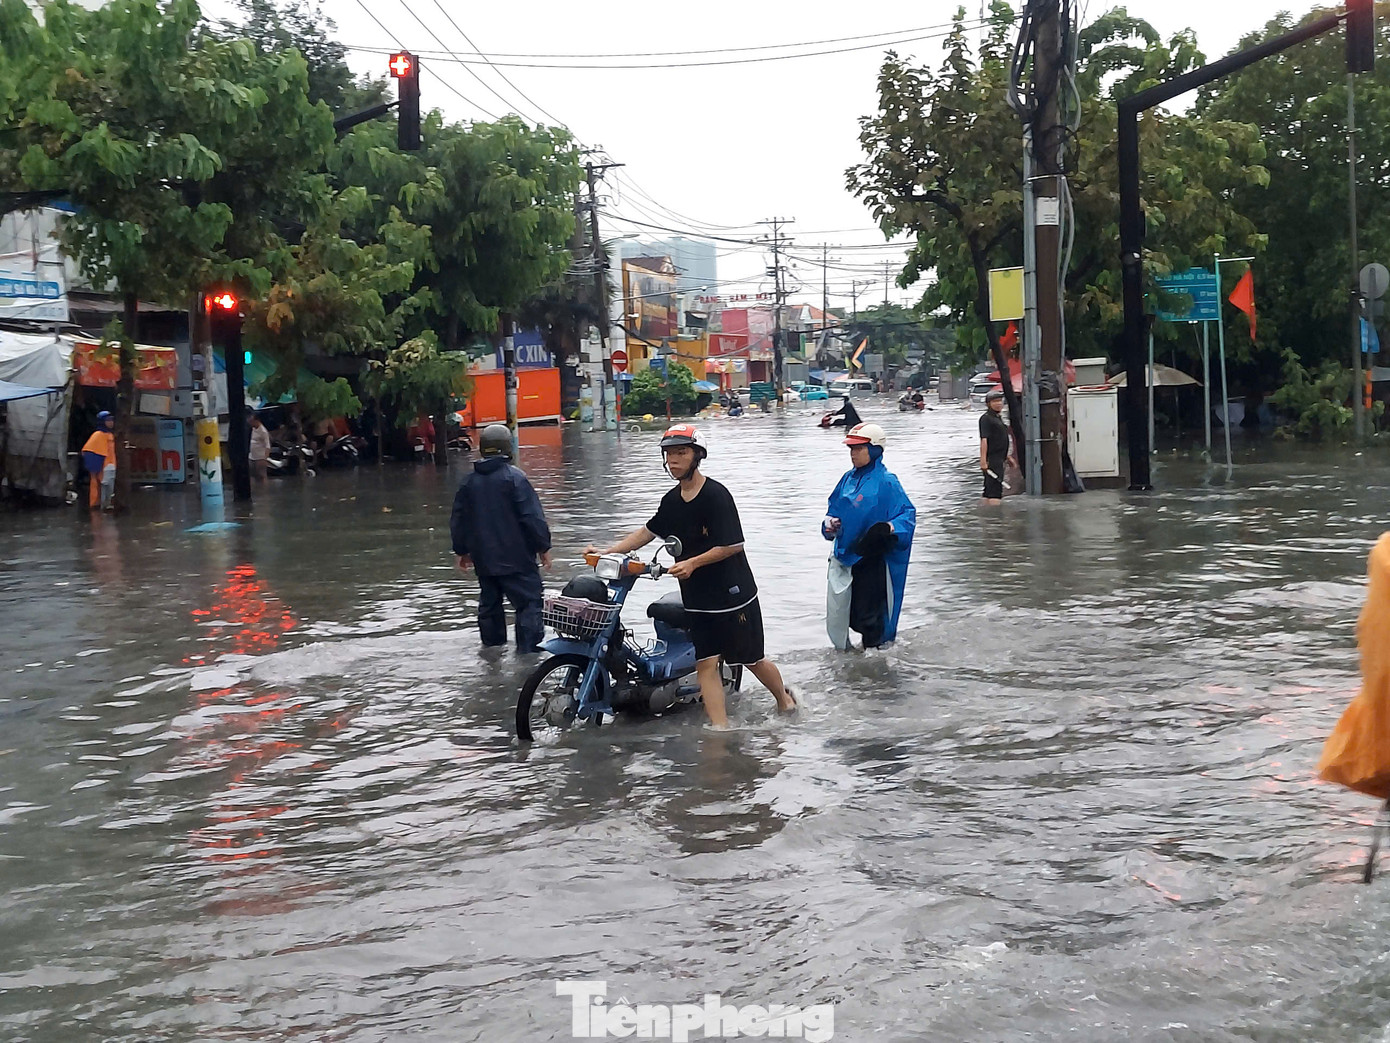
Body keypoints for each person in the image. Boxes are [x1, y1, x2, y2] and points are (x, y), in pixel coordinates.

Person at [586, 423, 796, 727]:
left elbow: (732, 545)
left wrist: (694, 563)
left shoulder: (716, 495)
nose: (673, 461)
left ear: (697, 456)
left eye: (681, 453)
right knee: (706, 663)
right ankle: (720, 730)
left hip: (732, 594)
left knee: (751, 659)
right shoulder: (672, 501)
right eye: (669, 455)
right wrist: (609, 552)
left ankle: (783, 699)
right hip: (696, 596)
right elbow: (648, 531)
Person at [450, 423, 553, 653]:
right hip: (518, 561)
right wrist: (543, 547)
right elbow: (532, 517)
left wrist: (462, 551)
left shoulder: (468, 483)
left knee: (489, 608)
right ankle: (528, 662)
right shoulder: (515, 479)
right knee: (528, 605)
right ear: (508, 448)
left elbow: (458, 520)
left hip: (485, 562)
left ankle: (492, 657)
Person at [823, 423, 916, 650]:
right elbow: (832, 511)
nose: (853, 454)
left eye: (858, 449)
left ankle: (877, 667)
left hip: (874, 559)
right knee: (846, 615)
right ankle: (859, 668)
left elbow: (907, 515)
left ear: (874, 449)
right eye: (851, 449)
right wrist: (829, 526)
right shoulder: (847, 479)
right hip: (847, 556)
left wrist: (888, 528)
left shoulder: (887, 481)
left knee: (870, 618)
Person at [979, 388, 1011, 505]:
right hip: (992, 459)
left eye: (1000, 401)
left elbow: (999, 440)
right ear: (988, 404)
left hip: (999, 457)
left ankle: (985, 516)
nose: (998, 404)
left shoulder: (998, 418)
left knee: (989, 489)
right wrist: (983, 460)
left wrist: (1007, 457)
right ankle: (996, 520)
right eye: (994, 401)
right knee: (995, 490)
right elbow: (984, 439)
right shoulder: (986, 419)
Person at [80, 410, 116, 510]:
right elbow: (88, 450)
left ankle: (105, 505)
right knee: (101, 487)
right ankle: (97, 506)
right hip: (103, 467)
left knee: (109, 489)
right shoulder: (98, 435)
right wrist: (97, 466)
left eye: (111, 420)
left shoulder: (110, 435)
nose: (111, 422)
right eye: (108, 420)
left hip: (111, 466)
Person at [248, 412, 271, 483]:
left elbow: (268, 446)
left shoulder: (263, 431)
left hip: (260, 458)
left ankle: (264, 491)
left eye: (252, 421)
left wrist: (265, 459)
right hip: (251, 456)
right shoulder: (252, 429)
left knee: (262, 475)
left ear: (256, 421)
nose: (250, 423)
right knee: (251, 475)